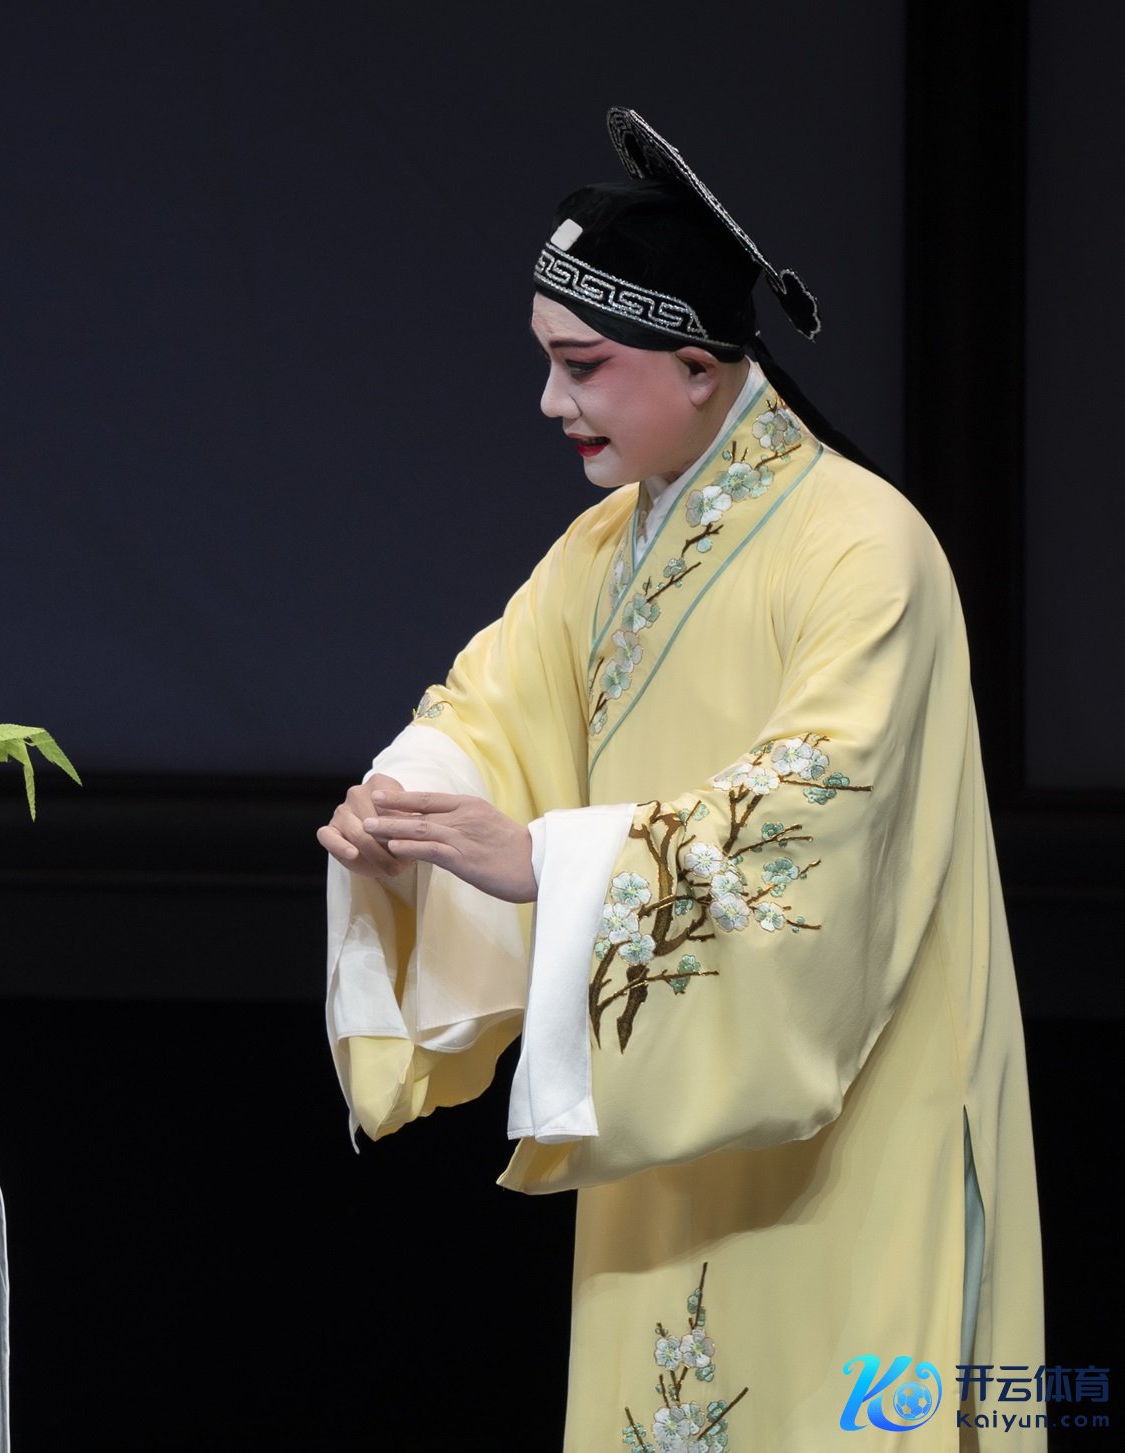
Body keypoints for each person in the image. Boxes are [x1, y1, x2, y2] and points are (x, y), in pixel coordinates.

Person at [320, 110, 1041, 1449]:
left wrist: (550, 863)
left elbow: (812, 809)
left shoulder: (863, 548)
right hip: (662, 1101)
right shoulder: (606, 549)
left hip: (853, 1102)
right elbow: (488, 708)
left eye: (583, 366)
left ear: (699, 366)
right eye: (547, 364)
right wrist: (401, 802)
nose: (552, 403)